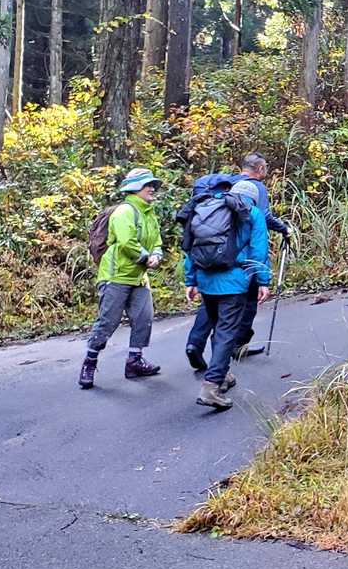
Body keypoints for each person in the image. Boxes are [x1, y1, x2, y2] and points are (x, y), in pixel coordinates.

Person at [184, 152, 290, 369]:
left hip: (209, 259)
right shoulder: (255, 188)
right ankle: (235, 347)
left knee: (211, 302)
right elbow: (261, 218)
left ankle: (195, 343)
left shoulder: (226, 187)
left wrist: (191, 277)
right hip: (239, 262)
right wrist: (284, 229)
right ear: (260, 169)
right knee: (246, 302)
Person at [185, 179, 272, 410]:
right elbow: (259, 250)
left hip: (205, 280)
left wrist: (191, 280)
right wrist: (263, 280)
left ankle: (222, 374)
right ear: (253, 199)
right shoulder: (252, 212)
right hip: (233, 282)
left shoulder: (206, 208)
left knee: (218, 328)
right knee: (226, 333)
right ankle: (211, 386)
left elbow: (189, 246)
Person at [79, 168, 164, 390]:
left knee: (144, 318)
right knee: (108, 322)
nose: (152, 189)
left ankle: (134, 361)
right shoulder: (124, 211)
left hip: (138, 277)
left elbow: (157, 241)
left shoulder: (149, 213)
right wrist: (146, 258)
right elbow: (127, 242)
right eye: (148, 185)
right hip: (116, 276)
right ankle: (89, 362)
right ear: (135, 188)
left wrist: (157, 254)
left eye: (153, 185)